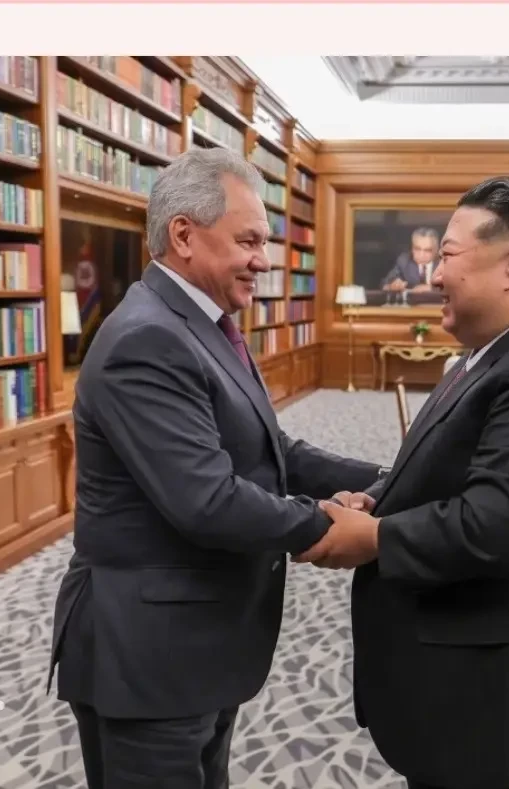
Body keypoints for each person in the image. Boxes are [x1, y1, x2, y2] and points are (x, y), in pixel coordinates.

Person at [47, 147, 383, 789]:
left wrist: (388, 479)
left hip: (199, 640)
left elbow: (272, 450)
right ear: (183, 235)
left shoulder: (205, 324)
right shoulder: (147, 339)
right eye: (249, 241)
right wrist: (326, 524)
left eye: (266, 242)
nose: (265, 260)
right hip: (149, 654)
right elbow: (206, 499)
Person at [295, 177, 509, 789]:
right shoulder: (488, 353)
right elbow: (446, 474)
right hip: (464, 686)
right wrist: (378, 501)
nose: (435, 275)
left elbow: (498, 522)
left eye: (447, 255)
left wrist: (374, 537)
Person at [381, 227, 440, 291]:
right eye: (417, 249)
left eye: (427, 250)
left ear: (436, 250)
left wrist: (431, 288)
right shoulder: (404, 261)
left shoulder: (444, 263)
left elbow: (448, 287)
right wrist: (392, 286)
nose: (421, 255)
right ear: (412, 248)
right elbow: (385, 284)